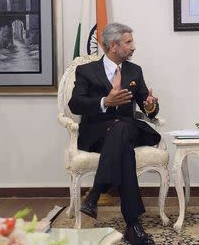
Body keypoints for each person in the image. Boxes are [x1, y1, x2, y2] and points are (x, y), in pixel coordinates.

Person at [68, 23, 160, 245]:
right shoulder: (86, 71)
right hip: (99, 134)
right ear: (113, 46)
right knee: (124, 150)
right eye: (128, 42)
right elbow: (75, 104)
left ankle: (95, 194)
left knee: (122, 128)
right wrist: (104, 102)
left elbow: (147, 106)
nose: (133, 47)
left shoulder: (134, 71)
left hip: (128, 128)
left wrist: (149, 105)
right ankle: (133, 225)